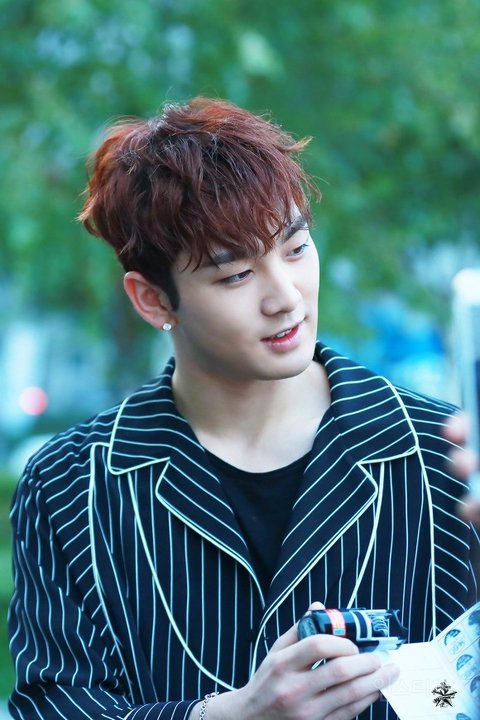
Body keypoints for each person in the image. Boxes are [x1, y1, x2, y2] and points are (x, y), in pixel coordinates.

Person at [8, 97, 479, 720]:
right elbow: (55, 705)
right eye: (234, 275)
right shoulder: (72, 484)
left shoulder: (442, 453)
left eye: (296, 248)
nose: (285, 298)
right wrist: (234, 715)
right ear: (153, 300)